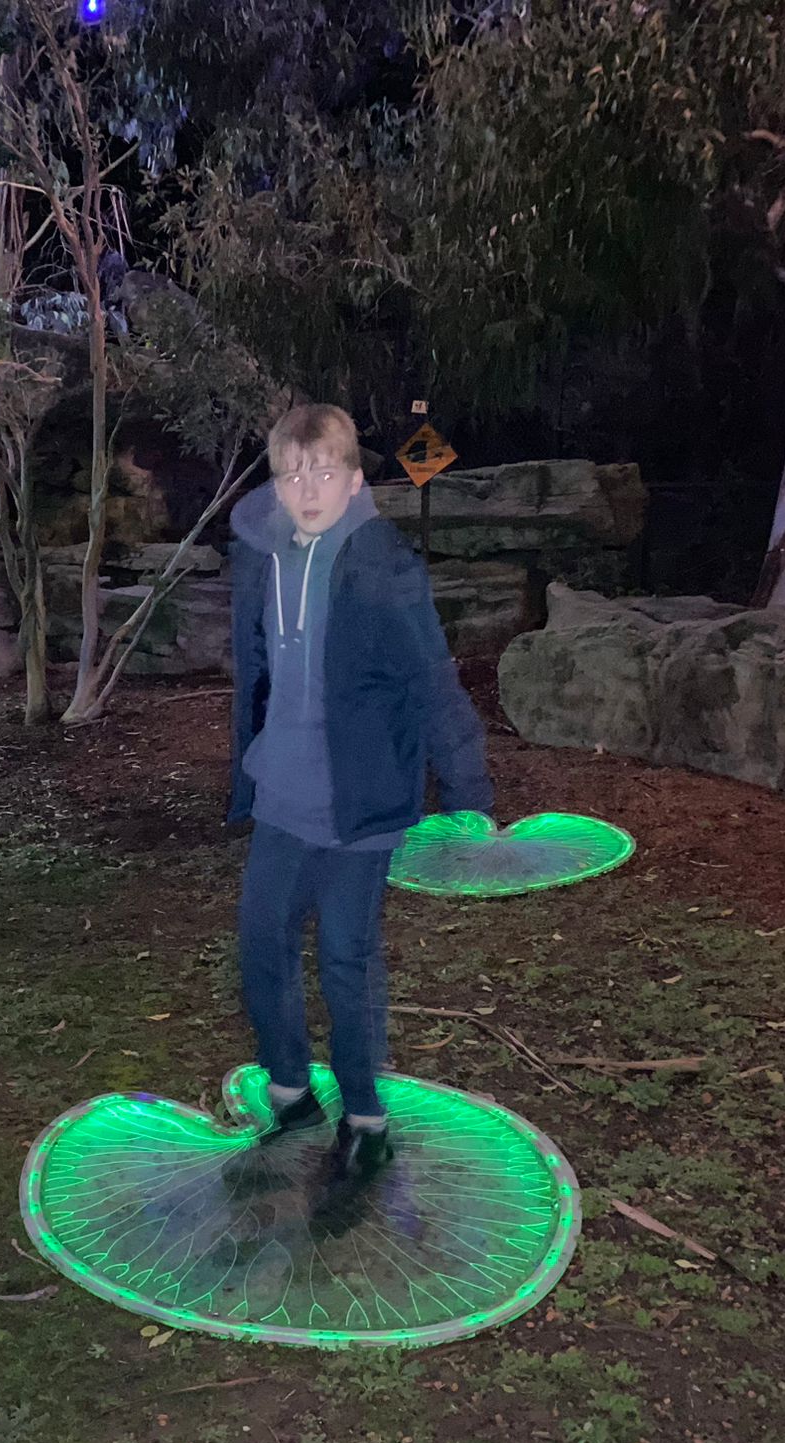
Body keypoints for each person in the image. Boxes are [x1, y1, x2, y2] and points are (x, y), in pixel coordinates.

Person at [226, 403, 495, 1194]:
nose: (307, 488)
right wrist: (249, 762)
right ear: (277, 483)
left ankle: (366, 1120)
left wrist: (467, 785)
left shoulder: (381, 563)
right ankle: (289, 1092)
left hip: (362, 801)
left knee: (346, 957)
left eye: (323, 472)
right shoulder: (260, 557)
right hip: (283, 794)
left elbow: (431, 677)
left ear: (351, 478)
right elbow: (258, 669)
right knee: (261, 942)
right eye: (291, 473)